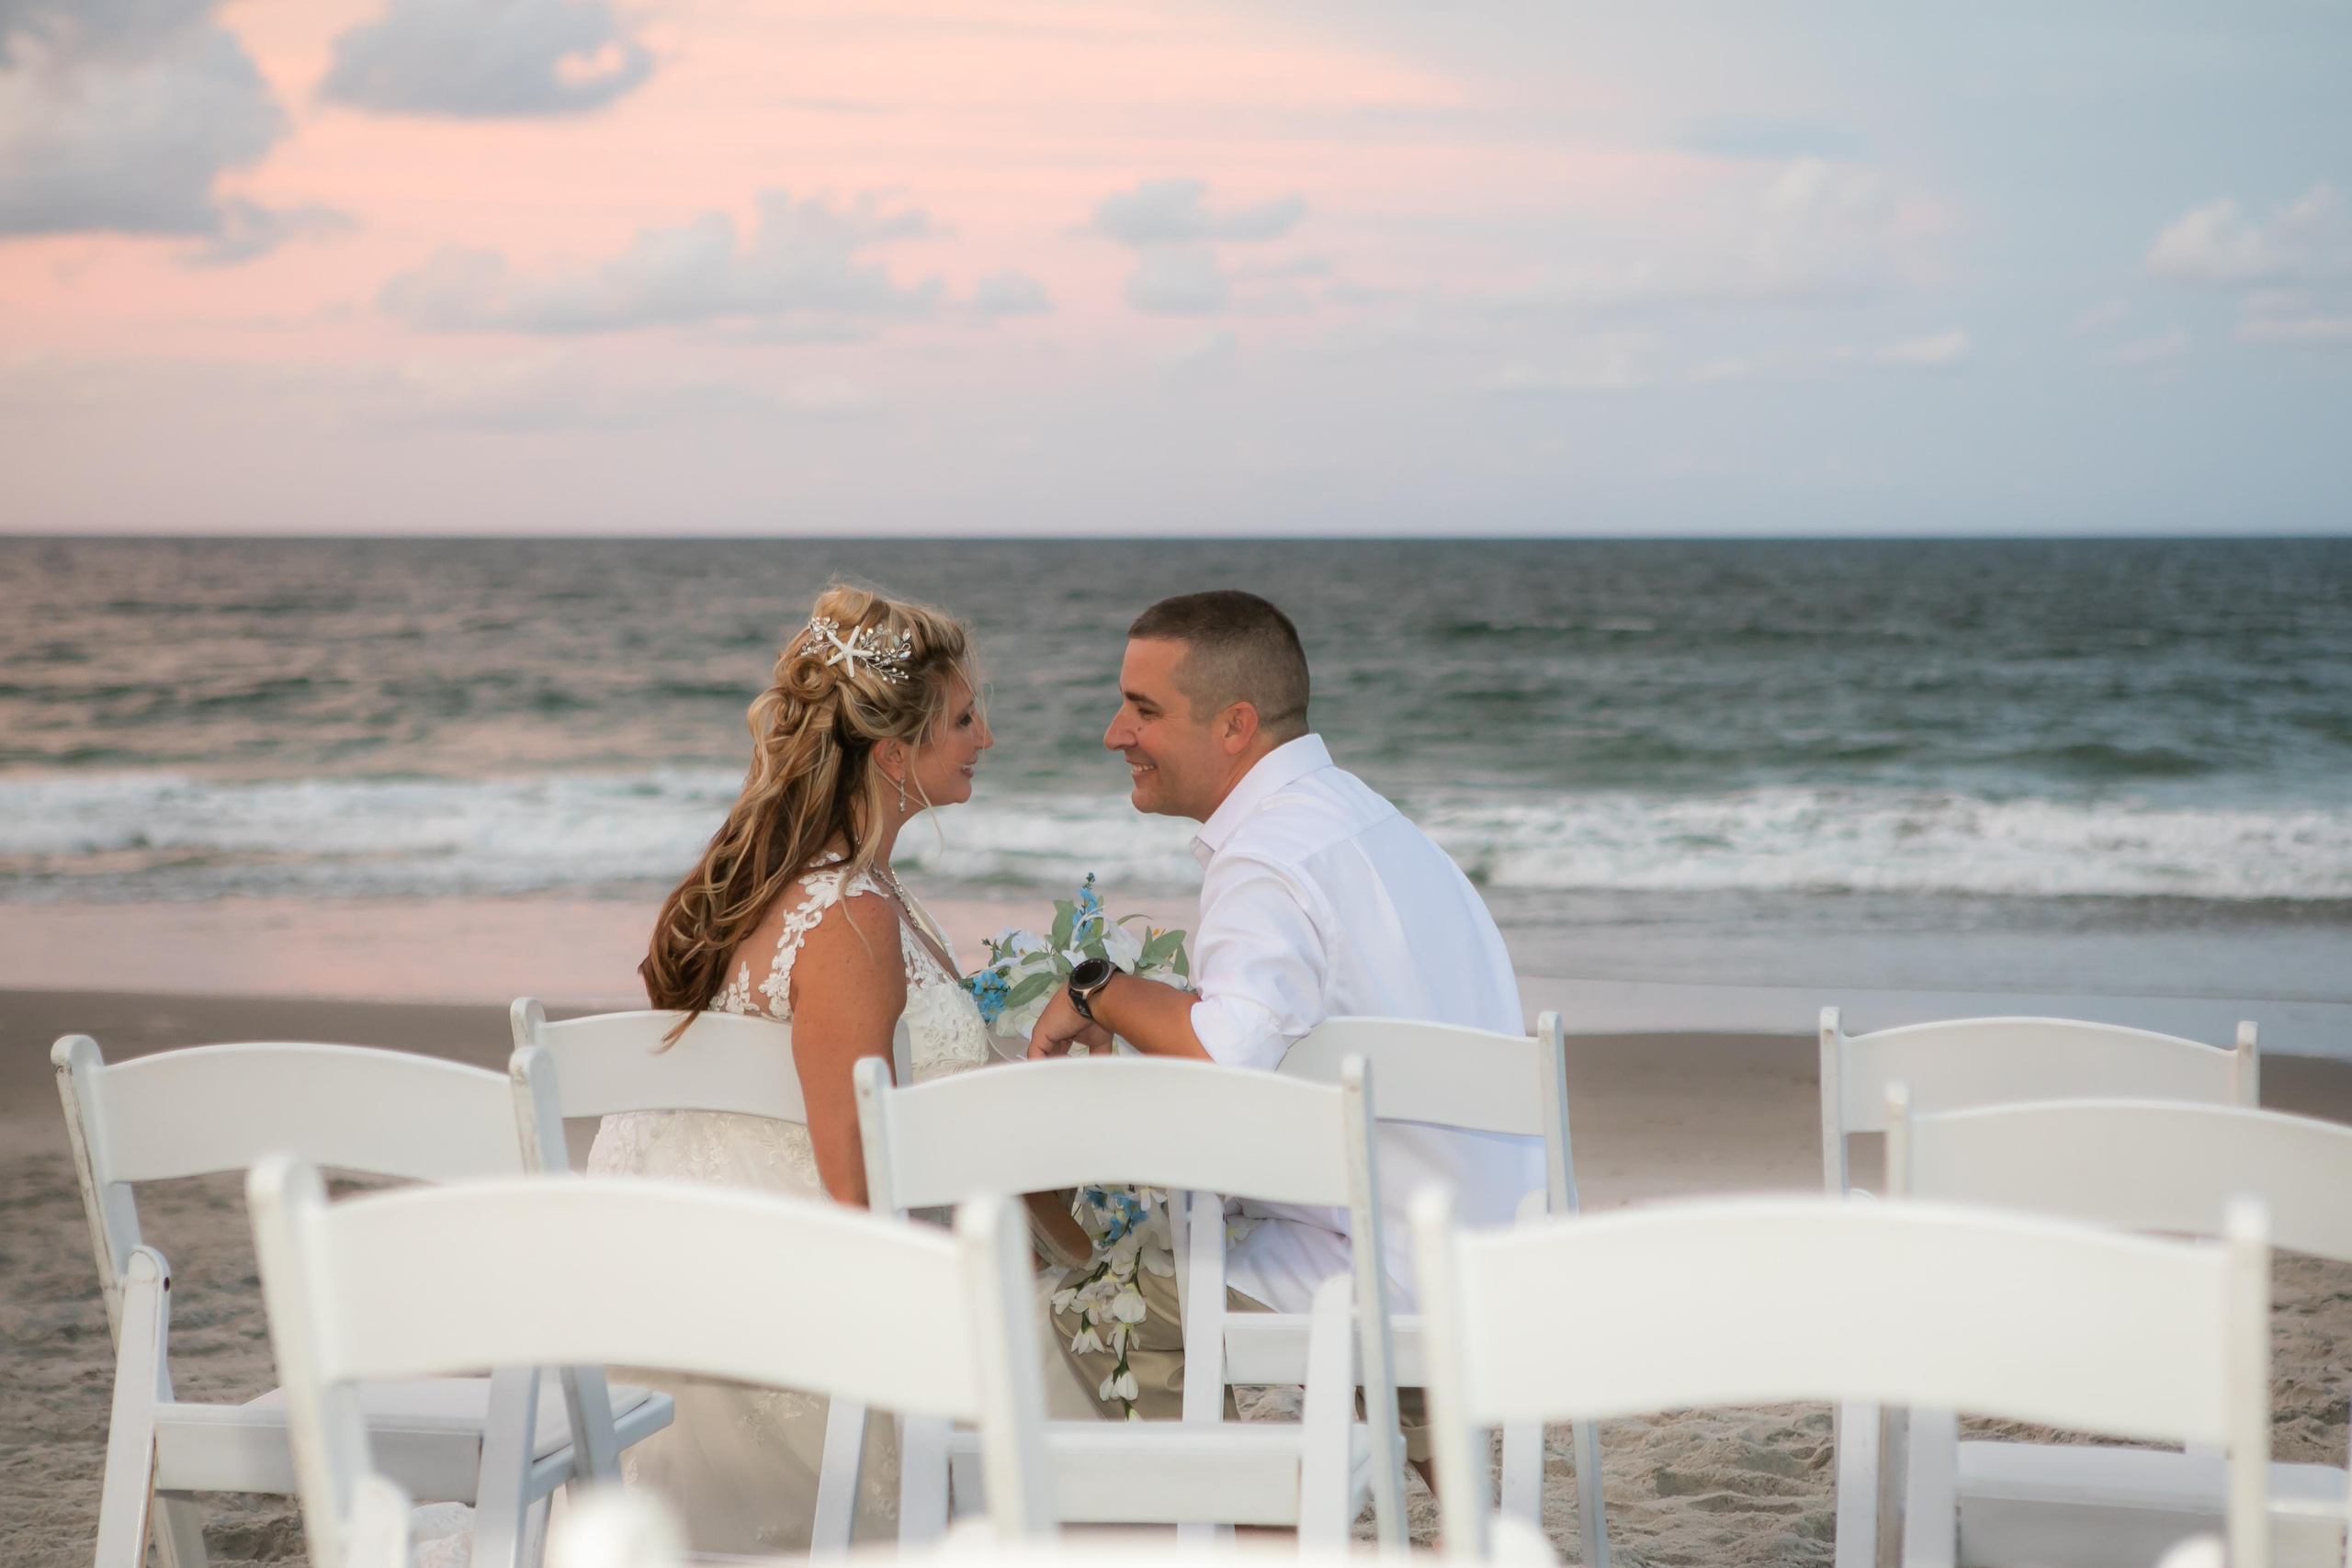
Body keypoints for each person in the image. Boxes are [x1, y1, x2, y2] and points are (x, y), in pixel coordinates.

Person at [1027, 590, 1543, 1473]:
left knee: (1107, 1300)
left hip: (1383, 1270)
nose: (1116, 732)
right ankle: (1460, 1507)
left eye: (1142, 709)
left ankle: (1217, 1523)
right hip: (1494, 1244)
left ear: (1234, 725)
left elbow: (1227, 1061)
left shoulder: (1268, 856)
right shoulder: (1375, 821)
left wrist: (1098, 988)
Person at [589, 584, 997, 1553]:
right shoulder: (851, 916)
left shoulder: (775, 884)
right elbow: (854, 1184)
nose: (987, 736)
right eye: (966, 717)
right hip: (805, 1327)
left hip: (684, 1293)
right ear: (895, 755)